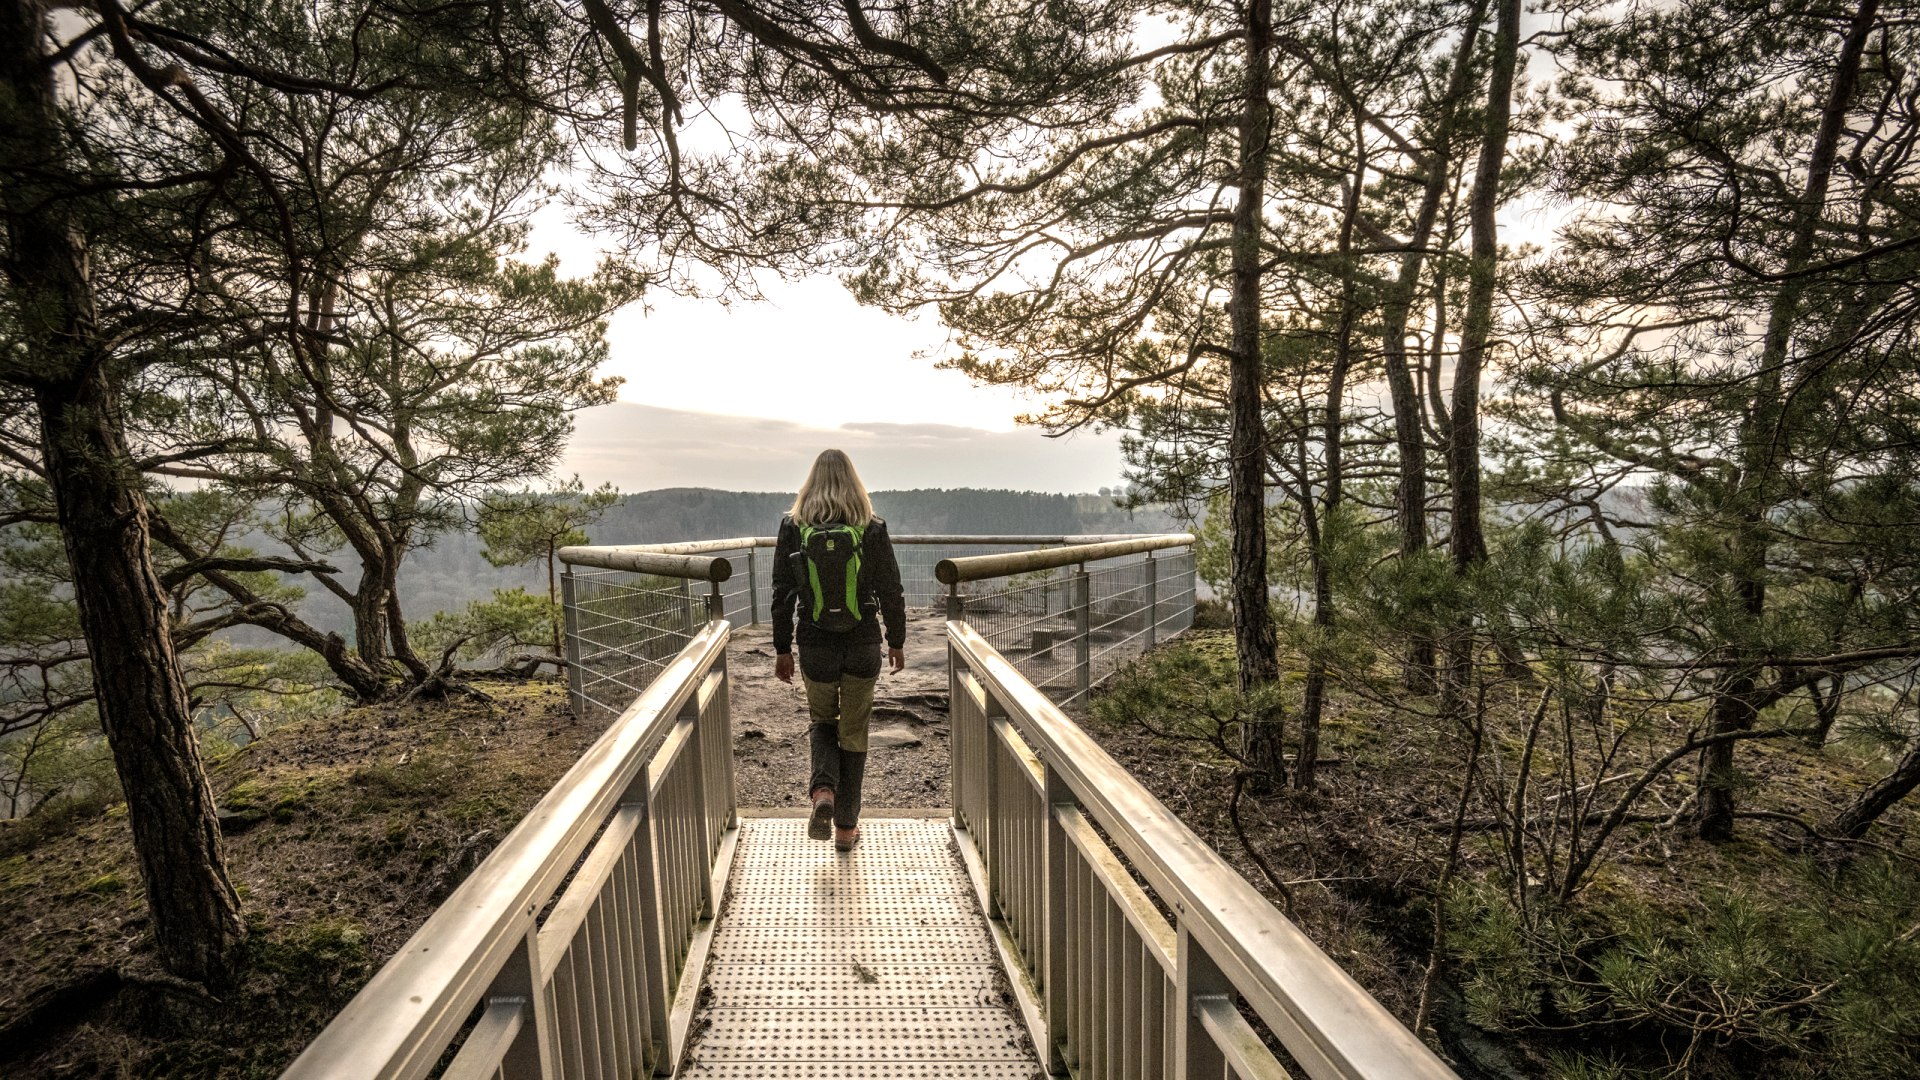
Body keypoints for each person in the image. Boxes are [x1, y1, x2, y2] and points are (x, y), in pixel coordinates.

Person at [771, 449, 906, 851]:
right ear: (854, 482)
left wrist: (783, 648)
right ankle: (846, 828)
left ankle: (823, 791)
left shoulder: (793, 527)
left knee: (823, 721)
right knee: (854, 730)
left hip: (814, 644)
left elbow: (782, 593)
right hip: (863, 643)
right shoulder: (872, 527)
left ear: (811, 482)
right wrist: (895, 639)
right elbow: (891, 590)